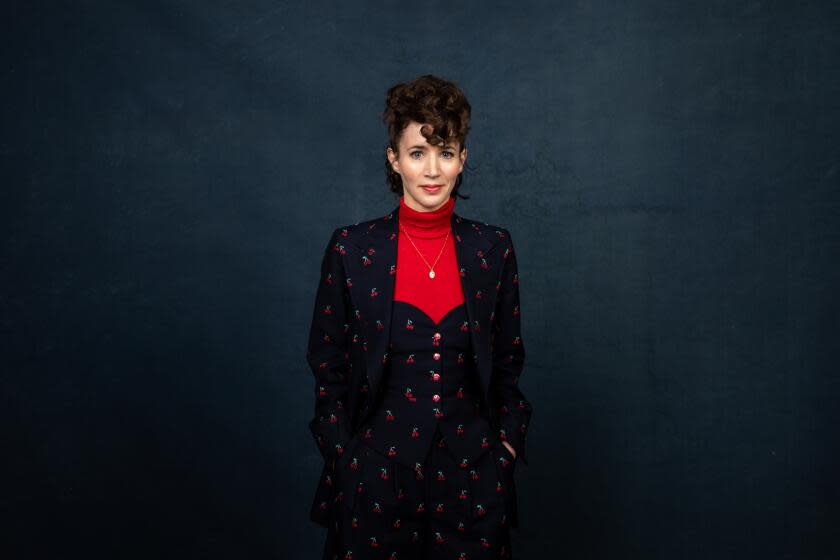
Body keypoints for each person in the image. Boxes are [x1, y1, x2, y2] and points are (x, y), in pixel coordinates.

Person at [306, 74, 533, 560]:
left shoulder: (491, 249)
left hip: (473, 484)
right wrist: (346, 459)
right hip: (375, 483)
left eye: (446, 152)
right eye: (417, 153)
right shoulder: (353, 249)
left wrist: (506, 450)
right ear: (394, 159)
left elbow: (509, 362)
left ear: (462, 160)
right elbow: (327, 364)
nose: (432, 170)